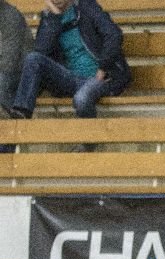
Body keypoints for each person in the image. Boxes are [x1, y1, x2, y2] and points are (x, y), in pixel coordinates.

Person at [4, 0, 131, 132]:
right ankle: (22, 113)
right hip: (70, 79)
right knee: (33, 58)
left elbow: (114, 34)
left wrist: (103, 68)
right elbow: (41, 51)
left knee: (81, 99)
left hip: (100, 78)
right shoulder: (50, 17)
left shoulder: (86, 7)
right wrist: (54, 16)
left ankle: (90, 138)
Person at [0, 0, 31, 153]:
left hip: (20, 74)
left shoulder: (10, 16)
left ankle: (5, 147)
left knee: (1, 84)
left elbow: (9, 63)